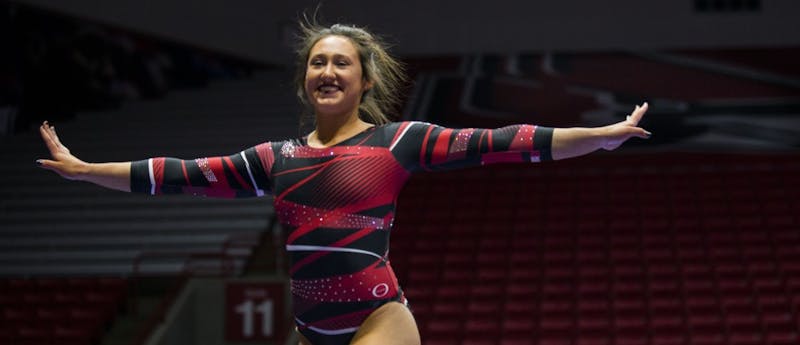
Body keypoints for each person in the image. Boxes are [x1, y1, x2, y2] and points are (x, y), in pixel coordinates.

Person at [37, 20, 651, 345]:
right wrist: (88, 171)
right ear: (305, 77)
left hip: (377, 320)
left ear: (364, 79)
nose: (327, 71)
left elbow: (507, 143)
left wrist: (599, 134)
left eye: (341, 63)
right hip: (309, 329)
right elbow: (175, 176)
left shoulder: (398, 142)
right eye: (317, 62)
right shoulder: (274, 157)